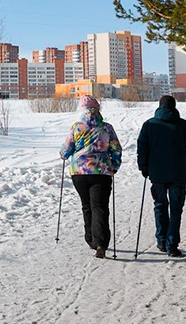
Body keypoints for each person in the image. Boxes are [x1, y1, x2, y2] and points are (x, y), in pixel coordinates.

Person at [137, 95, 186, 257]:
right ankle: (172, 245)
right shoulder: (184, 126)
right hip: (178, 175)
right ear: (174, 107)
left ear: (159, 107)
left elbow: (142, 148)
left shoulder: (149, 125)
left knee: (160, 206)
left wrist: (144, 168)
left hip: (157, 174)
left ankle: (161, 241)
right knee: (176, 210)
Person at [59, 95, 123, 259]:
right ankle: (100, 243)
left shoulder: (77, 127)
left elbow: (66, 150)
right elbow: (116, 150)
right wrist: (114, 167)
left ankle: (90, 239)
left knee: (87, 205)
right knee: (100, 206)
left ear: (83, 109)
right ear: (98, 109)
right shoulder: (107, 128)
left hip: (79, 173)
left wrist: (63, 155)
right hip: (101, 172)